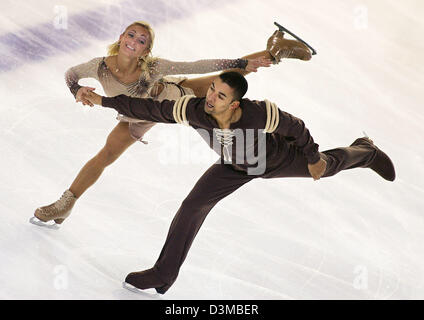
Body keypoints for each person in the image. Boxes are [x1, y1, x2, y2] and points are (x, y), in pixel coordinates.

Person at [83, 71, 396, 294]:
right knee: (192, 206)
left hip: (273, 159)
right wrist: (102, 101)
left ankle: (365, 151)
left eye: (220, 95)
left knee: (326, 167)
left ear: (234, 103)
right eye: (212, 90)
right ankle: (163, 273)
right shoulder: (194, 110)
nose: (211, 97)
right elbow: (150, 109)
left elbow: (297, 127)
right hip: (232, 166)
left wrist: (313, 158)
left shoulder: (259, 114)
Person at [31, 20, 312, 227]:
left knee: (228, 82)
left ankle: (275, 51)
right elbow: (71, 74)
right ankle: (65, 205)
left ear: (146, 50)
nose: (134, 41)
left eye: (142, 40)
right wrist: (76, 89)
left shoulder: (153, 67)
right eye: (131, 35)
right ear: (121, 37)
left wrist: (239, 61)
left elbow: (198, 65)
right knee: (105, 156)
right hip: (135, 116)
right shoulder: (100, 65)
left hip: (179, 101)